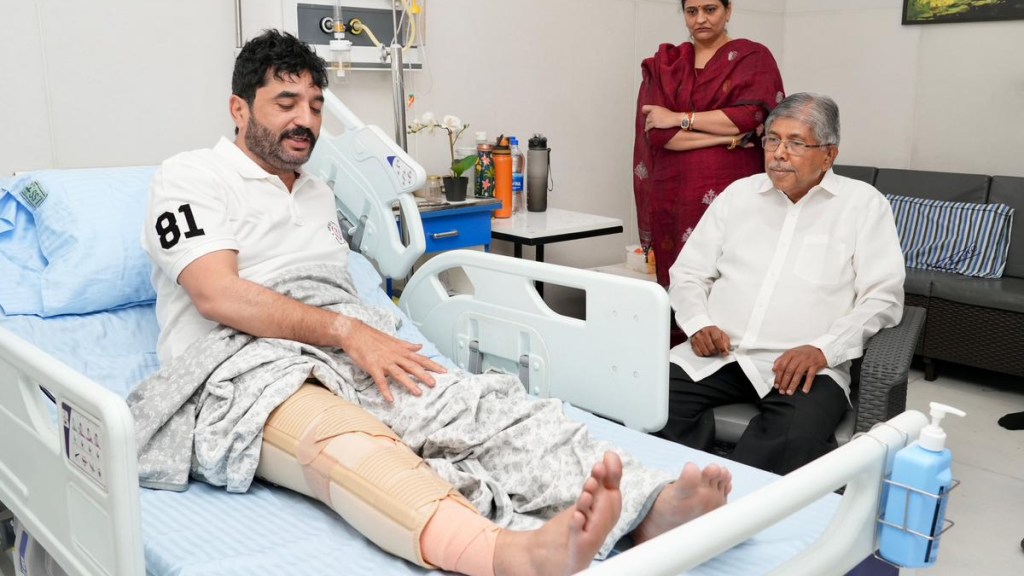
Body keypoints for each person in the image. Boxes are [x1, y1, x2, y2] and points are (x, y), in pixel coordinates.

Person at [131, 30, 732, 576]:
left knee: (481, 406)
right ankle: (509, 554)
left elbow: (336, 291)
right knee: (346, 441)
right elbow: (216, 293)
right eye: (285, 103)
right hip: (244, 365)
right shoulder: (192, 176)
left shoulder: (317, 193)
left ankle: (649, 504)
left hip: (344, 345)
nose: (305, 120)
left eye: (314, 105)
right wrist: (347, 332)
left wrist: (360, 332)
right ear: (239, 109)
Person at [656, 92, 906, 475]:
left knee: (793, 438)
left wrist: (823, 349)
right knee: (651, 403)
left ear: (829, 155)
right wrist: (698, 323)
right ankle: (676, 495)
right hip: (721, 354)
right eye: (772, 140)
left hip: (807, 367)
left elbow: (883, 297)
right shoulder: (738, 196)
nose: (779, 153)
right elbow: (688, 273)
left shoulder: (863, 205)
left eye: (796, 143)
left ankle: (741, 508)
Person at [633, 0, 784, 288]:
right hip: (674, 195)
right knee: (682, 284)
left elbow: (749, 118)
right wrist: (728, 138)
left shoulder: (753, 58)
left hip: (734, 190)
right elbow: (660, 135)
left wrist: (678, 118)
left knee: (734, 279)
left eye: (710, 9)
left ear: (729, 11)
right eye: (692, 11)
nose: (700, 18)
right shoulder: (667, 65)